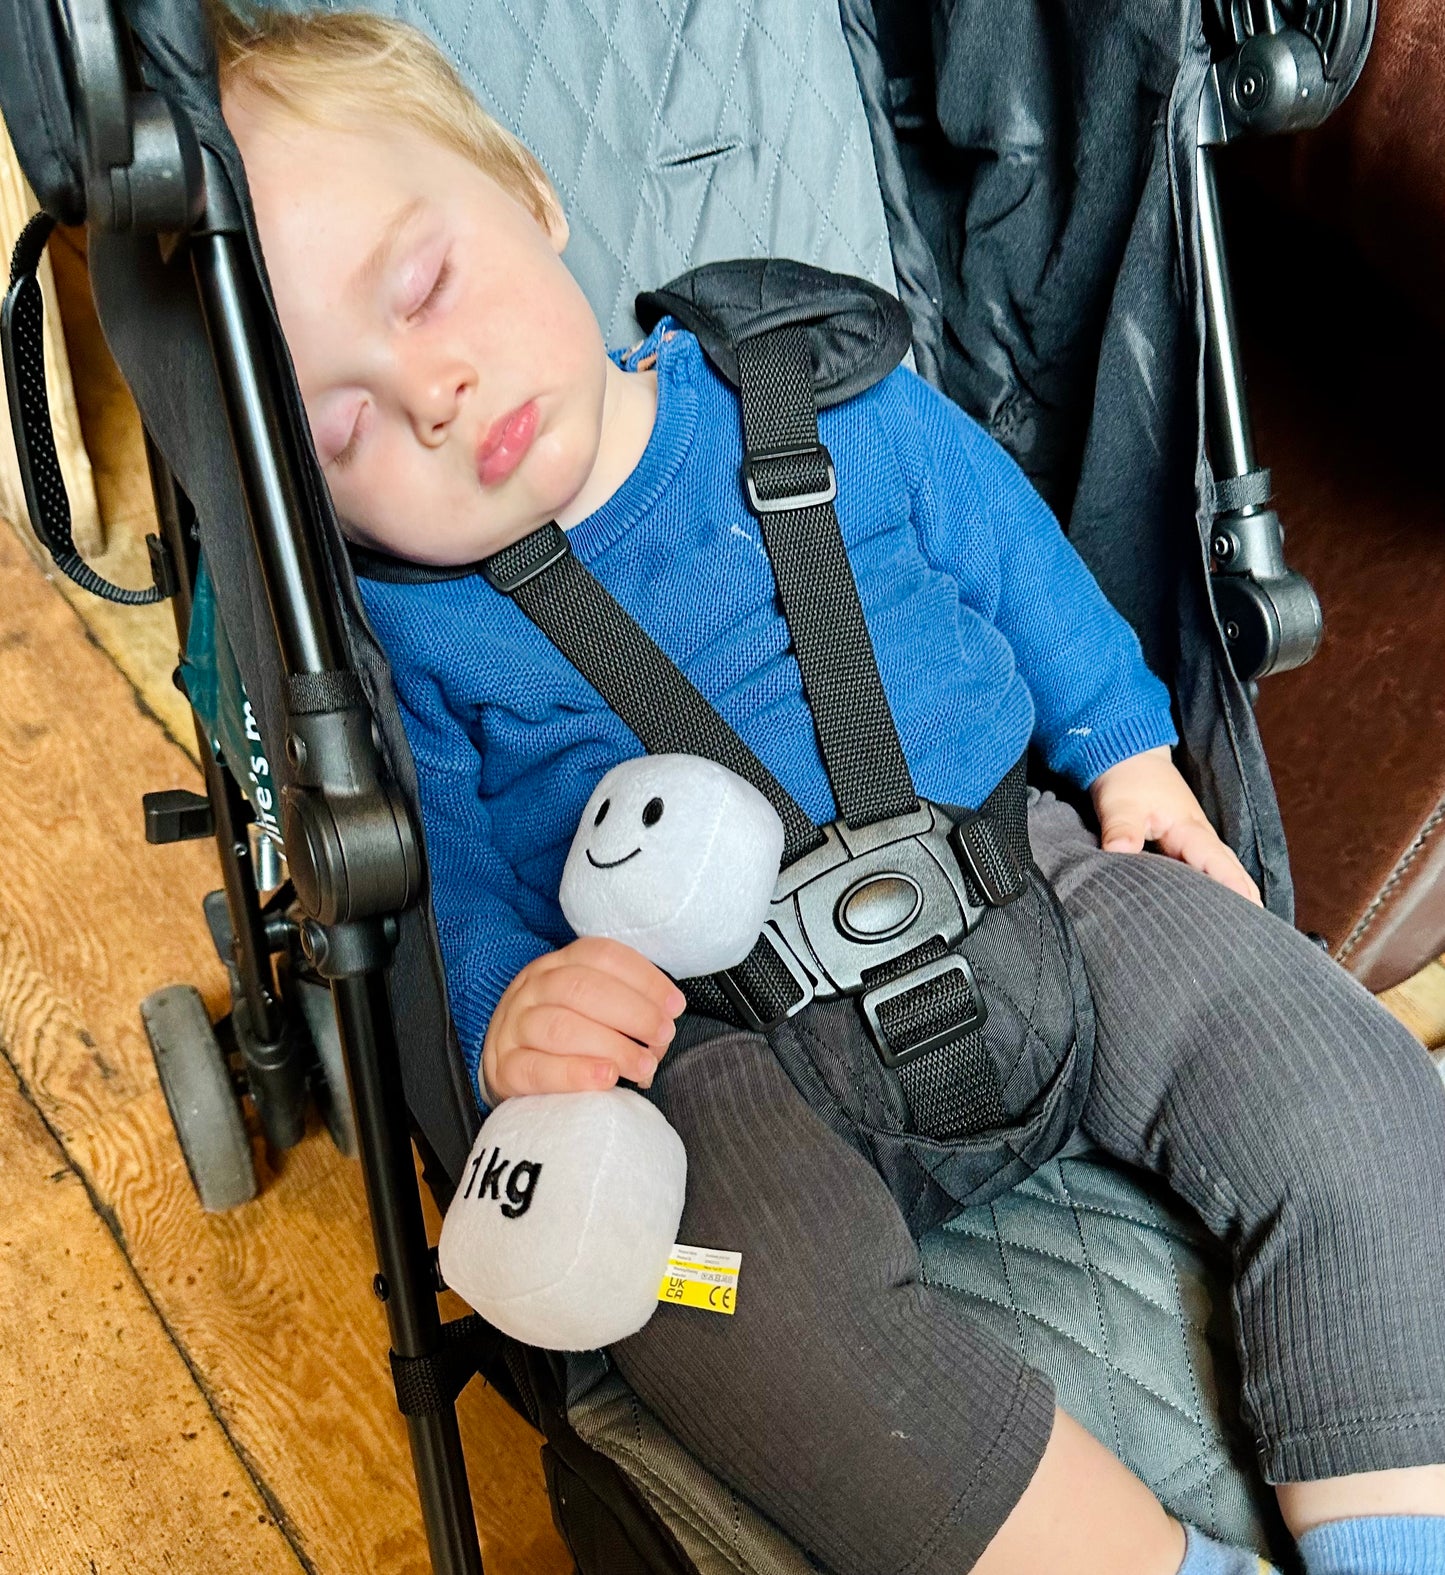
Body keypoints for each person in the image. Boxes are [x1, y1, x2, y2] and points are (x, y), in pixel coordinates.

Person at [213, 9, 1445, 1573]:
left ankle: (1397, 1541)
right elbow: (445, 873)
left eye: (426, 286)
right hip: (714, 1057)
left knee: (1337, 1078)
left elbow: (1019, 571)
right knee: (695, 1301)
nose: (432, 392)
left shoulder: (826, 393)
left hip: (1032, 880)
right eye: (342, 423)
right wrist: (514, 1016)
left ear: (527, 193)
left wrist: (1134, 761)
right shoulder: (406, 639)